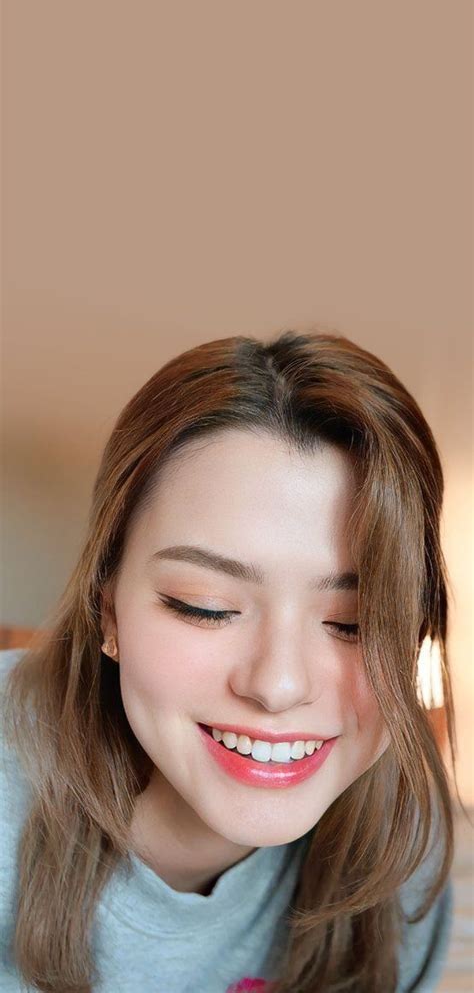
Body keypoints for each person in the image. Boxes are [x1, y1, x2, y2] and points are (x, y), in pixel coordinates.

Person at [0, 329, 459, 993]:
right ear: (109, 611)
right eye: (207, 607)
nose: (278, 684)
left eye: (352, 623)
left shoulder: (402, 844)